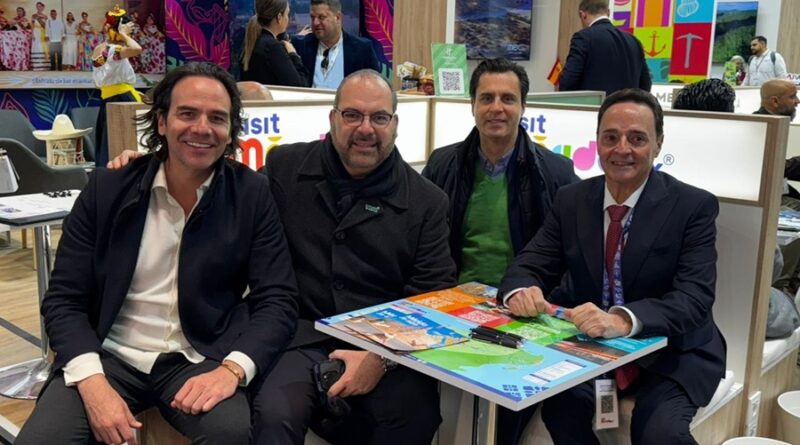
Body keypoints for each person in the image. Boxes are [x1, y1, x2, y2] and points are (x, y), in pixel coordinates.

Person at [15, 62, 298, 445]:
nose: (202, 128)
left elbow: (278, 299)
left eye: (217, 118)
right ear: (162, 121)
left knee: (231, 433)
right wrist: (92, 382)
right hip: (107, 354)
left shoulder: (251, 194)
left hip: (199, 355)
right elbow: (64, 299)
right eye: (187, 113)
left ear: (231, 130)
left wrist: (232, 369)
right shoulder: (108, 189)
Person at [499, 88, 726, 445]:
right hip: (594, 346)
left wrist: (622, 320)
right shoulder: (572, 200)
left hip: (670, 352)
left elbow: (694, 299)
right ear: (598, 142)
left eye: (637, 138)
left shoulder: (692, 206)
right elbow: (531, 262)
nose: (622, 149)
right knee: (561, 409)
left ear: (658, 143)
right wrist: (520, 290)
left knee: (660, 433)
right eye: (611, 137)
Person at [252, 69, 455, 444]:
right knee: (275, 414)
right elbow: (229, 198)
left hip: (387, 345)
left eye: (379, 117)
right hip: (302, 337)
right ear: (332, 118)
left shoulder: (427, 202)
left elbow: (432, 300)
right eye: (352, 115)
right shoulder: (284, 167)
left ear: (395, 125)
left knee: (414, 417)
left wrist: (380, 358)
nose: (365, 128)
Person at [422, 57, 577, 445]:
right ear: (472, 105)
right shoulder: (443, 163)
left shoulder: (556, 173)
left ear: (524, 106)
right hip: (451, 307)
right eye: (486, 98)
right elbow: (421, 242)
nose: (497, 108)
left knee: (504, 418)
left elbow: (569, 255)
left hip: (523, 313)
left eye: (508, 98)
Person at [558, 0, 651, 96]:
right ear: (608, 12)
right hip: (627, 104)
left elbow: (569, 80)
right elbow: (645, 84)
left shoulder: (583, 37)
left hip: (594, 104)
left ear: (583, 14)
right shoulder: (634, 41)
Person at [92, 6, 143, 168]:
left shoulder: (102, 48)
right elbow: (137, 49)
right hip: (121, 100)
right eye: (128, 31)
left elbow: (105, 79)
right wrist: (123, 34)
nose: (130, 35)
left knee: (109, 142)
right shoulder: (112, 50)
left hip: (110, 98)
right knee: (125, 143)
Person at [291, 0, 380, 89]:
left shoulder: (362, 49)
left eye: (321, 17)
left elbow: (375, 86)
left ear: (338, 17)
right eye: (312, 17)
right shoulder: (300, 46)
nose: (315, 23)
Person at [241, 0, 308, 87]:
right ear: (279, 17)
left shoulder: (251, 42)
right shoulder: (273, 48)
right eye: (287, 14)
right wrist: (293, 55)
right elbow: (299, 86)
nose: (288, 19)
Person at [30, 2, 49, 71]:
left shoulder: (45, 16)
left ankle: (43, 64)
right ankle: (36, 64)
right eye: (37, 6)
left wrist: (47, 35)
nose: (38, 8)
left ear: (42, 7)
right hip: (36, 32)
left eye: (40, 6)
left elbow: (46, 26)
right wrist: (32, 34)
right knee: (36, 46)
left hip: (43, 33)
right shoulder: (34, 15)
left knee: (42, 47)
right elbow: (32, 25)